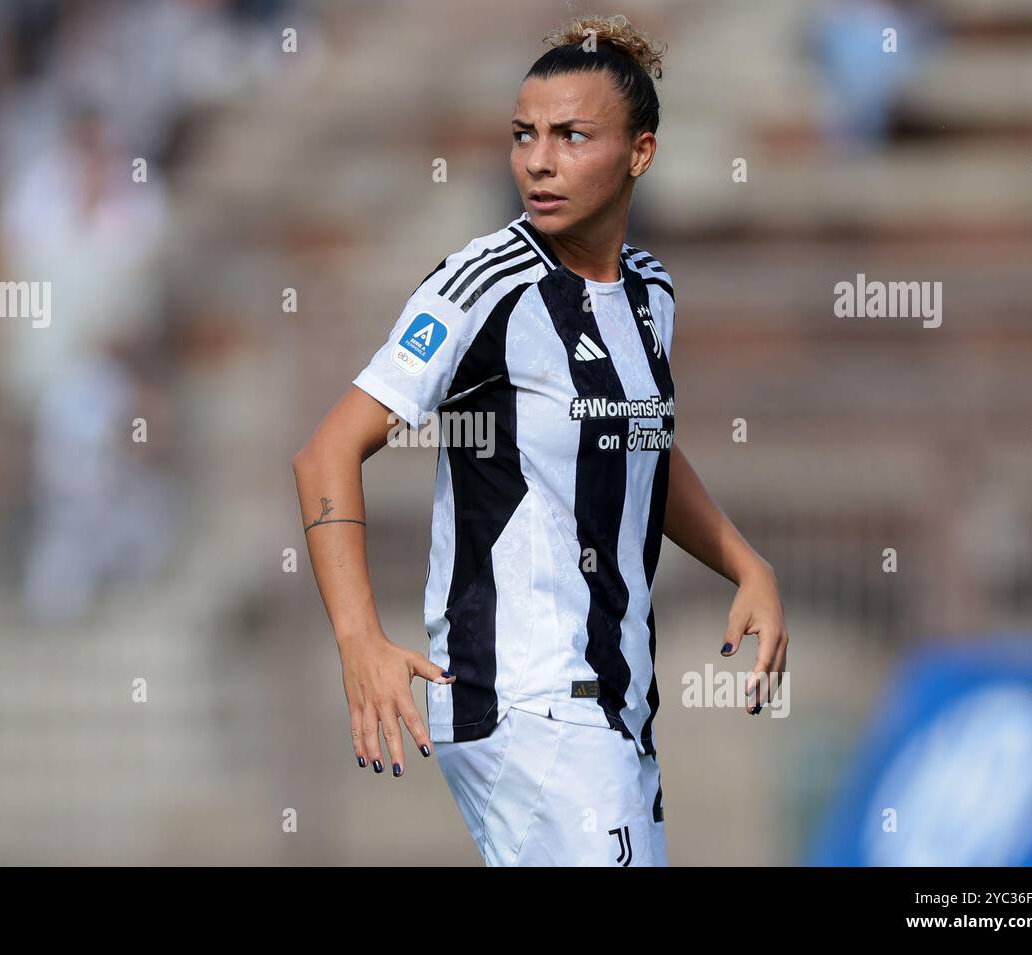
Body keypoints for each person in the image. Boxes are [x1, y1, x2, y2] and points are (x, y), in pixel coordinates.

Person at [292, 14, 789, 866]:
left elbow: (641, 450)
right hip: (523, 701)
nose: (537, 160)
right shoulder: (485, 284)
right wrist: (358, 641)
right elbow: (327, 451)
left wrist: (747, 563)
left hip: (617, 705)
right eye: (525, 136)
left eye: (570, 135)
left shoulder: (650, 293)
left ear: (641, 152)